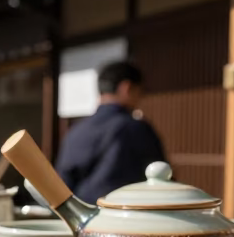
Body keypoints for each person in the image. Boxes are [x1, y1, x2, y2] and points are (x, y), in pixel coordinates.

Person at [55, 60, 166, 204]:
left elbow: (63, 181)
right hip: (126, 219)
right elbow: (161, 175)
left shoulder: (76, 130)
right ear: (127, 88)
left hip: (81, 218)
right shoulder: (136, 129)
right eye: (140, 91)